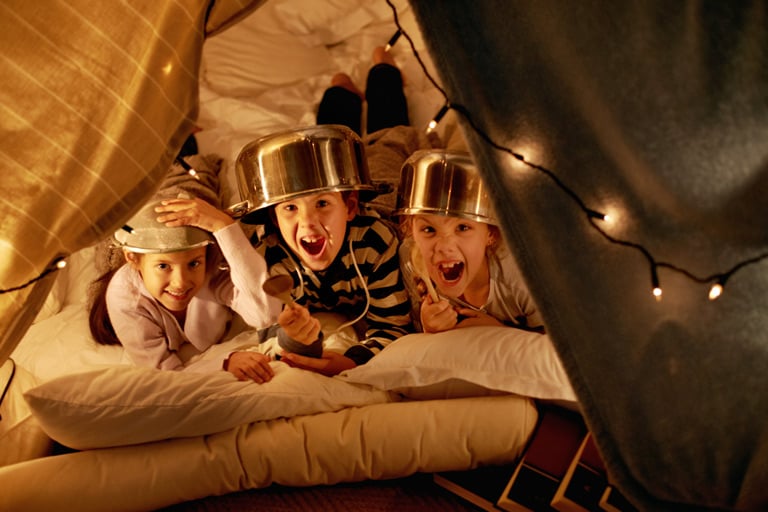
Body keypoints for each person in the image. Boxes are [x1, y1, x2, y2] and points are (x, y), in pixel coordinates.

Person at [233, 123, 414, 376]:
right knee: (323, 136)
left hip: (382, 201)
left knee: (389, 143)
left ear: (350, 207)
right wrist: (294, 338)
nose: (307, 221)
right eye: (290, 208)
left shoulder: (376, 243)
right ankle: (338, 90)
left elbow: (392, 326)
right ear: (274, 219)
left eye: (322, 203)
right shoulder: (271, 258)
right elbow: (269, 332)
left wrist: (351, 361)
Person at [88, 195, 282, 382]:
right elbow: (164, 374)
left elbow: (265, 314)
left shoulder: (213, 267)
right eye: (163, 266)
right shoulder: (123, 296)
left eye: (193, 264)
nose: (180, 282)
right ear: (133, 259)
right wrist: (224, 363)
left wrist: (224, 226)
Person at [394, 149, 545, 334]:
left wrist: (499, 331)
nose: (444, 247)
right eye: (429, 230)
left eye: (463, 228)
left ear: (490, 233)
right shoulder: (411, 261)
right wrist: (428, 328)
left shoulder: (522, 276)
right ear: (412, 232)